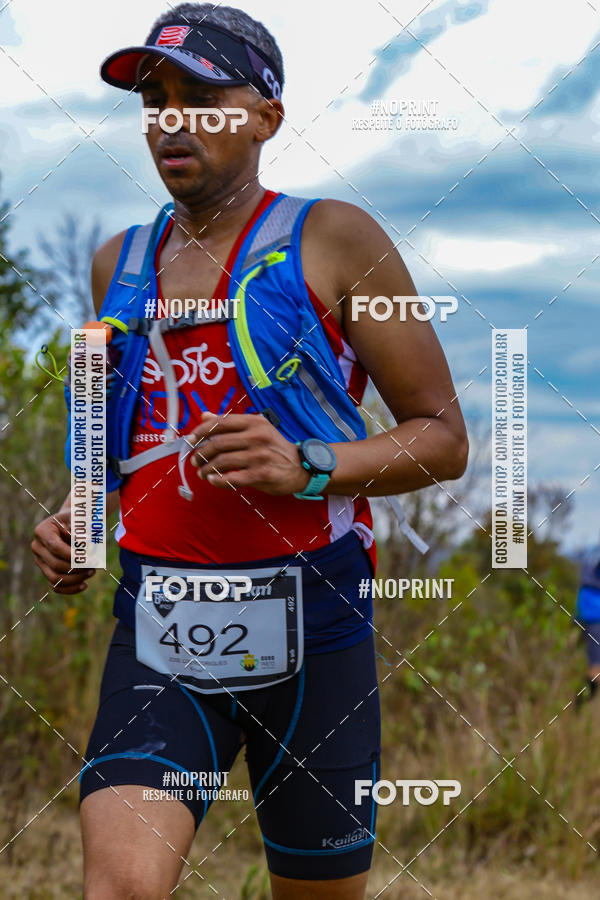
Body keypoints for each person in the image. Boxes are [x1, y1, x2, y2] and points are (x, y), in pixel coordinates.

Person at [30, 4, 468, 898]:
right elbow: (122, 438)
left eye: (203, 96)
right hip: (161, 623)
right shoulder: (119, 262)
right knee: (119, 886)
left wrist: (308, 462)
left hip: (316, 623)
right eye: (155, 99)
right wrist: (80, 511)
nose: (171, 120)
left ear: (266, 115)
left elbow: (442, 437)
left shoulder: (338, 239)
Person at [574, 544, 600, 709]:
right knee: (596, 670)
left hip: (589, 611)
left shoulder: (592, 551)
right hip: (594, 615)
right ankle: (577, 709)